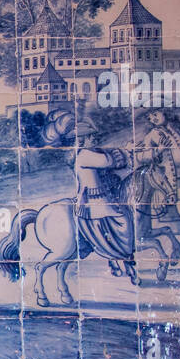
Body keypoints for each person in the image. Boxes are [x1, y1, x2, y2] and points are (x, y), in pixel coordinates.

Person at [74, 119, 136, 281]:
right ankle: (123, 252)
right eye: (91, 136)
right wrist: (127, 150)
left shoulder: (90, 152)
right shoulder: (85, 155)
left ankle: (117, 259)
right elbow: (108, 161)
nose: (95, 138)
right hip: (93, 201)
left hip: (100, 197)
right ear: (82, 139)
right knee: (123, 219)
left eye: (94, 135)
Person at [134, 108, 180, 235]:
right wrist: (159, 150)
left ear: (165, 112)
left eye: (155, 114)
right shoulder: (152, 135)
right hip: (171, 175)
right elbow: (141, 156)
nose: (153, 118)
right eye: (150, 117)